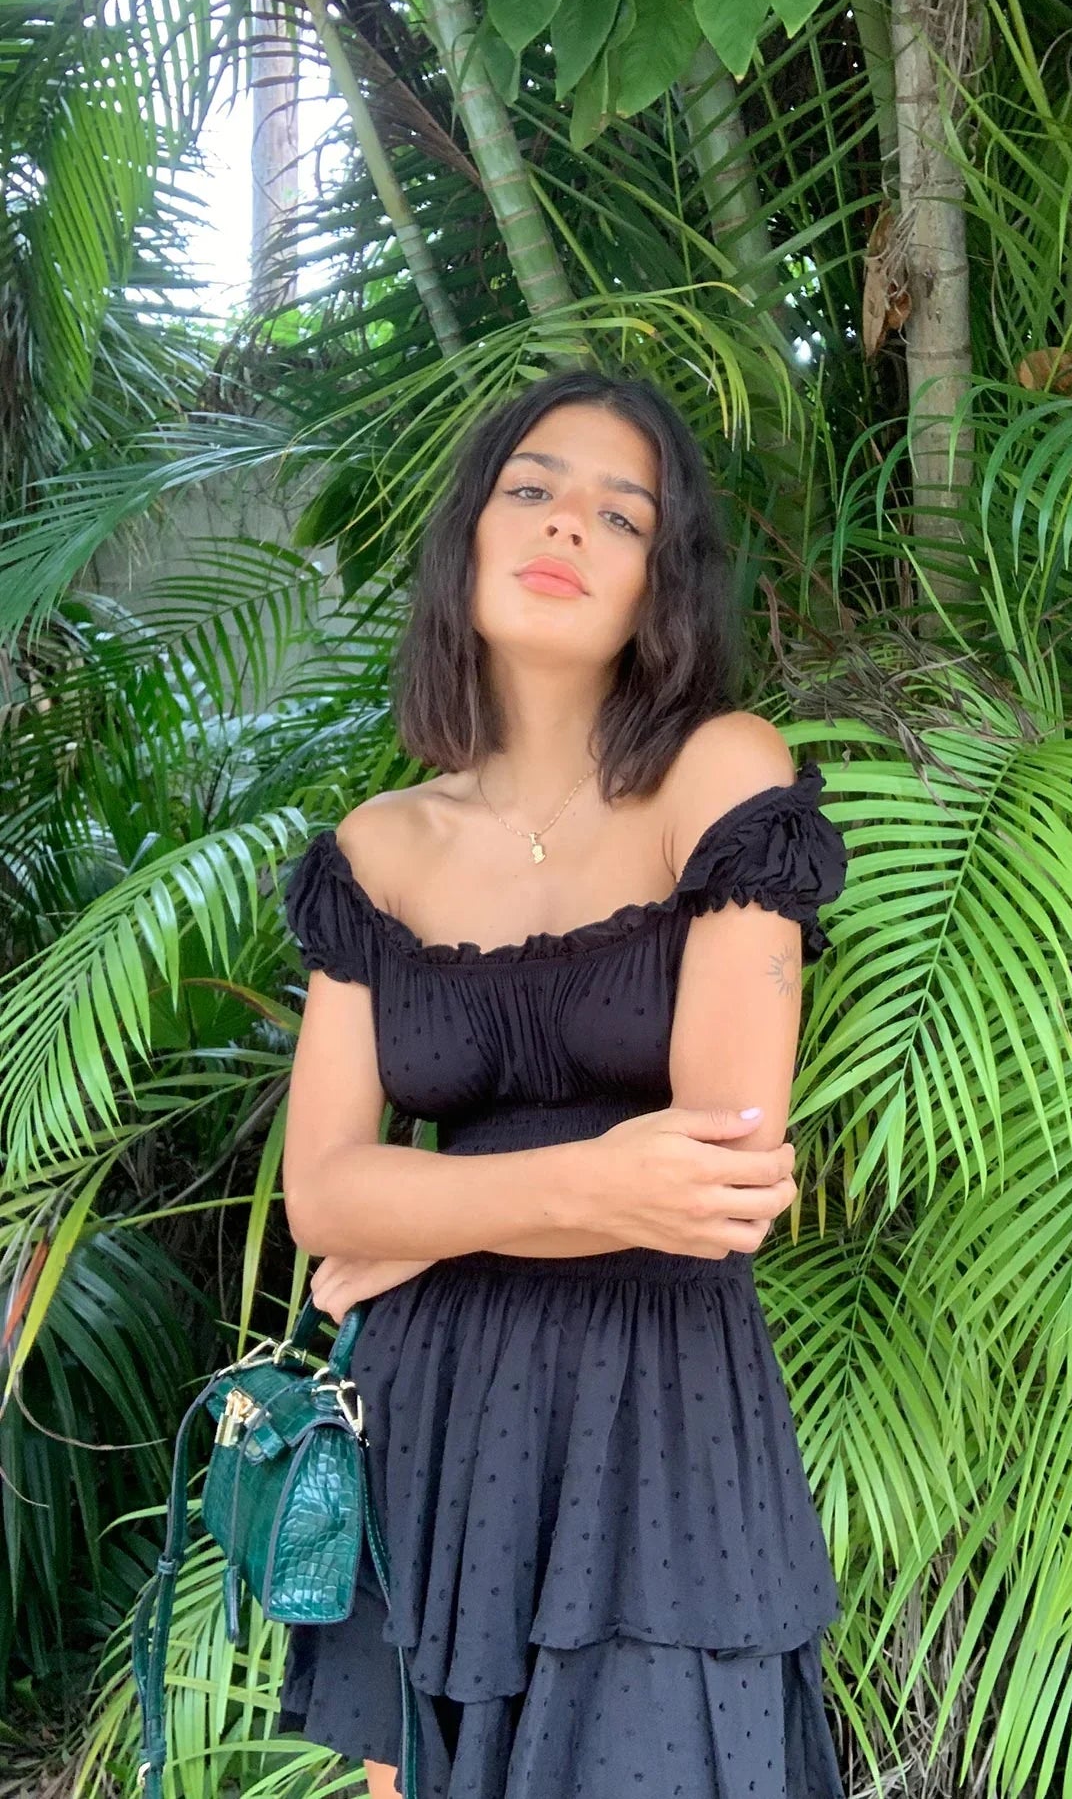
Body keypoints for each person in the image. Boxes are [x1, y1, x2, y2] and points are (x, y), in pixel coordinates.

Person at [275, 366, 850, 1798]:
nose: (567, 524)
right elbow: (321, 1199)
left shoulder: (723, 774)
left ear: (662, 581)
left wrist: (425, 1216)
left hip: (654, 1414)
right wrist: (597, 1177)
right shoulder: (378, 847)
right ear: (470, 533)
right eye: (530, 488)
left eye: (621, 513)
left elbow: (715, 1183)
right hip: (434, 1420)